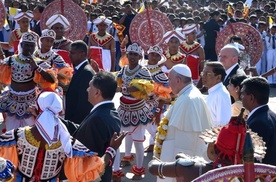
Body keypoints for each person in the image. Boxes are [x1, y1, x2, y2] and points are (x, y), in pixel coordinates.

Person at [0, 91, 126, 181]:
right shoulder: (67, 144)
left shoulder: (15, 136)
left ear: (37, 109)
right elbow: (94, 169)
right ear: (59, 112)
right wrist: (111, 150)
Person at [148, 109, 266, 181]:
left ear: (213, 149)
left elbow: (153, 168)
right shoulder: (259, 176)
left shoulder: (193, 169)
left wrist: (184, 161)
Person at [154, 64, 212, 182]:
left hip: (178, 167)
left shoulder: (187, 100)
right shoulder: (189, 94)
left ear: (178, 80)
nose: (168, 82)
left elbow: (184, 144)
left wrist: (179, 171)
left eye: (169, 79)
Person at [0, 32, 55, 131]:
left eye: (32, 46)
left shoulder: (38, 62)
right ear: (21, 45)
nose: (29, 48)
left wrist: (37, 68)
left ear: (35, 47)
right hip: (12, 100)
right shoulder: (11, 60)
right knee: (10, 132)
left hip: (30, 103)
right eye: (27, 45)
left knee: (31, 134)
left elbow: (52, 79)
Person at [72, 71, 121, 182]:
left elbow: (89, 159)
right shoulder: (110, 112)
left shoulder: (98, 118)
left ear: (97, 92)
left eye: (90, 87)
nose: (87, 90)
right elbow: (83, 129)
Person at [116, 42, 154, 180]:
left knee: (138, 140)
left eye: (135, 54)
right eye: (130, 54)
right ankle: (122, 161)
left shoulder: (143, 71)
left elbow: (149, 88)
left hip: (138, 109)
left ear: (139, 56)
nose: (132, 57)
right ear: (127, 55)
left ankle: (139, 168)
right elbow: (117, 81)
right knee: (121, 136)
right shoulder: (124, 69)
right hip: (123, 108)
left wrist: (128, 89)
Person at [241, 76, 276, 165]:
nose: (241, 97)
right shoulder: (272, 115)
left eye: (243, 94)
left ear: (251, 98)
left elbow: (253, 159)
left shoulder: (257, 123)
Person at [65, 40, 94, 125]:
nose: (69, 55)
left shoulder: (86, 72)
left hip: (78, 124)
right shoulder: (80, 69)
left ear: (82, 54)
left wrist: (75, 126)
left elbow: (84, 104)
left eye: (72, 53)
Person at [201, 62, 232, 126]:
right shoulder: (213, 92)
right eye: (203, 73)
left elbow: (223, 124)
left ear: (218, 77)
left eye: (207, 74)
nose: (203, 76)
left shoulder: (221, 94)